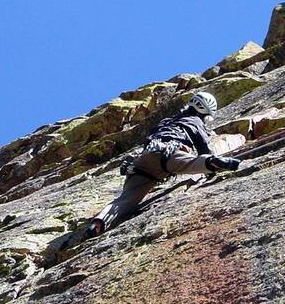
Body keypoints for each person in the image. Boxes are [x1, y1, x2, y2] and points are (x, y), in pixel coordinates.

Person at [84, 92, 241, 239]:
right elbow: (204, 149)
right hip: (171, 153)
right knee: (192, 164)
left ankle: (98, 223)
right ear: (205, 112)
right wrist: (211, 164)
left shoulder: (167, 121)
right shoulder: (195, 121)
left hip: (145, 159)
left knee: (125, 199)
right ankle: (214, 163)